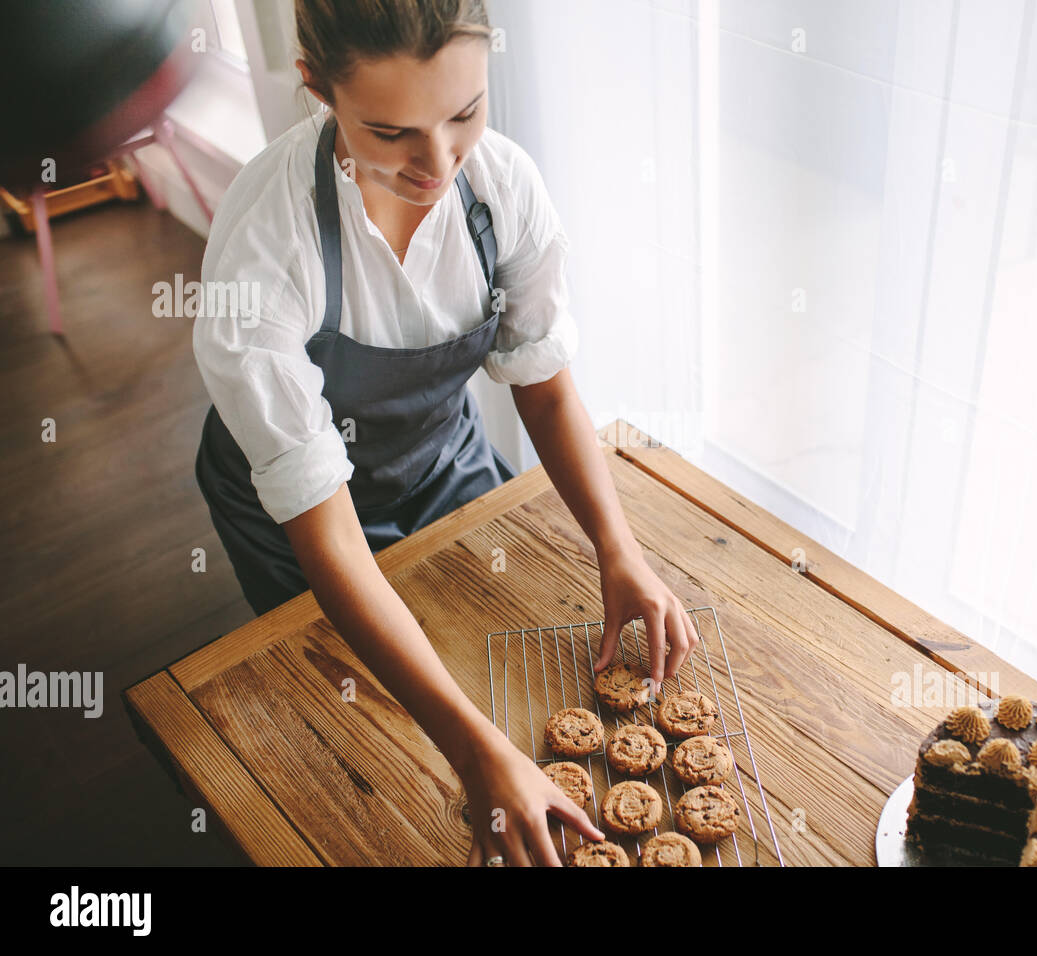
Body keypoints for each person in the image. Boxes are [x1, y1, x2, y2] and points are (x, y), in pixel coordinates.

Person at [191, 0, 699, 866]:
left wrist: (621, 552)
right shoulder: (266, 250)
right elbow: (329, 530)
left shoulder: (502, 190)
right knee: (362, 739)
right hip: (297, 521)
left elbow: (541, 390)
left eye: (464, 113)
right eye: (390, 133)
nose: (437, 164)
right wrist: (472, 753)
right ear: (318, 88)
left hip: (445, 459)